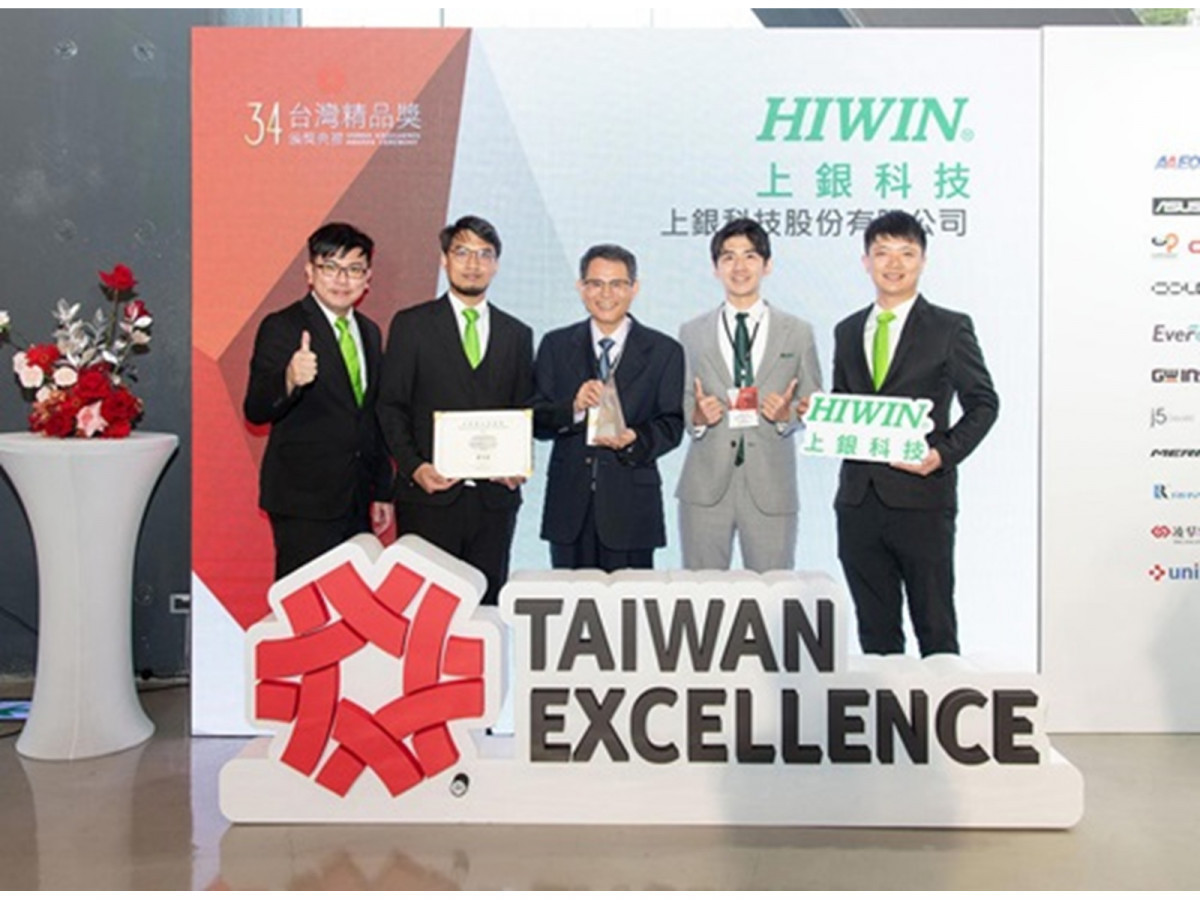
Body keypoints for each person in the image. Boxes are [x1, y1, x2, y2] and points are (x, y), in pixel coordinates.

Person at [831, 210, 998, 656]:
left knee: (935, 627)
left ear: (923, 260)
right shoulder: (847, 331)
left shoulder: (949, 327)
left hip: (923, 498)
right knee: (875, 633)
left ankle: (941, 702)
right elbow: (846, 404)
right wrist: (820, 414)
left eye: (906, 253)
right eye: (882, 252)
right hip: (858, 500)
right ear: (866, 261)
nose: (894, 263)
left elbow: (984, 403)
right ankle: (884, 703)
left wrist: (942, 454)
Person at [377, 215, 533, 606]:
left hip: (494, 504)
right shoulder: (412, 325)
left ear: (496, 265)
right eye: (462, 252)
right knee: (423, 612)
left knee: (485, 614)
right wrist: (415, 467)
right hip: (428, 498)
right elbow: (391, 406)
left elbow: (523, 409)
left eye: (484, 254)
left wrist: (517, 463)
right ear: (444, 259)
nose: (473, 264)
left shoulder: (517, 333)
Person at [244, 221, 393, 579]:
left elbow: (371, 416)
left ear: (367, 278)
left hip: (357, 498)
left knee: (352, 602)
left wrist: (382, 490)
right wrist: (290, 378)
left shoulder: (370, 332)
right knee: (304, 603)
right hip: (303, 501)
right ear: (310, 272)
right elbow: (256, 409)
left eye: (354, 269)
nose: (342, 280)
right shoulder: (282, 326)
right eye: (330, 267)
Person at [676, 218, 822, 572]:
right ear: (716, 268)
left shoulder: (797, 332)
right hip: (705, 488)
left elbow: (814, 403)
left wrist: (788, 415)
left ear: (766, 265)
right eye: (728, 257)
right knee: (701, 595)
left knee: (773, 594)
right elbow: (682, 399)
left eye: (750, 256)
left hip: (772, 486)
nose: (739, 267)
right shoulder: (692, 332)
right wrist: (697, 417)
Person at [532, 244, 684, 571]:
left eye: (617, 284)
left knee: (631, 604)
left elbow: (672, 424)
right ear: (581, 287)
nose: (606, 294)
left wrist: (635, 439)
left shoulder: (664, 350)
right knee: (570, 602)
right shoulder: (555, 345)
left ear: (634, 288)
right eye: (596, 284)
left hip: (632, 507)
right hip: (569, 507)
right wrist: (573, 407)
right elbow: (536, 420)